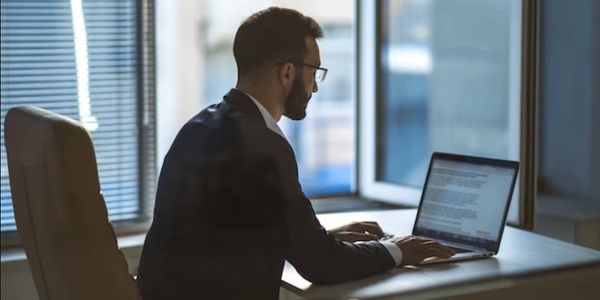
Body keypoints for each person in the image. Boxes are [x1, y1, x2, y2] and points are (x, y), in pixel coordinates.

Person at [136, 7, 454, 299]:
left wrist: (316, 237)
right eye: (314, 71)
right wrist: (398, 251)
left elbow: (225, 237)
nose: (315, 87)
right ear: (288, 73)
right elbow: (321, 265)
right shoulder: (262, 144)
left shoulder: (200, 126)